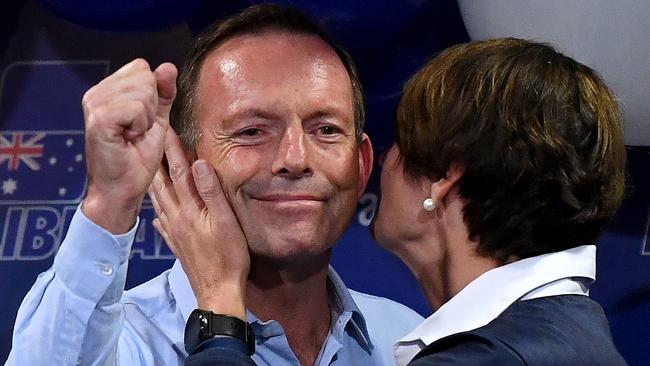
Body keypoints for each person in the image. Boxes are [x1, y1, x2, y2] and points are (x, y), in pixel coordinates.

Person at [7, 5, 423, 366]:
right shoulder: (125, 342)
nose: (295, 159)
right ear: (184, 164)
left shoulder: (407, 341)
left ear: (362, 163)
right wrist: (109, 200)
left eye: (326, 130)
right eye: (252, 131)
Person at [176, 38, 628, 365]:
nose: (294, 160)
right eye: (253, 131)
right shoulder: (564, 330)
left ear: (442, 181)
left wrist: (218, 316)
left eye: (401, 143)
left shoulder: (489, 356)